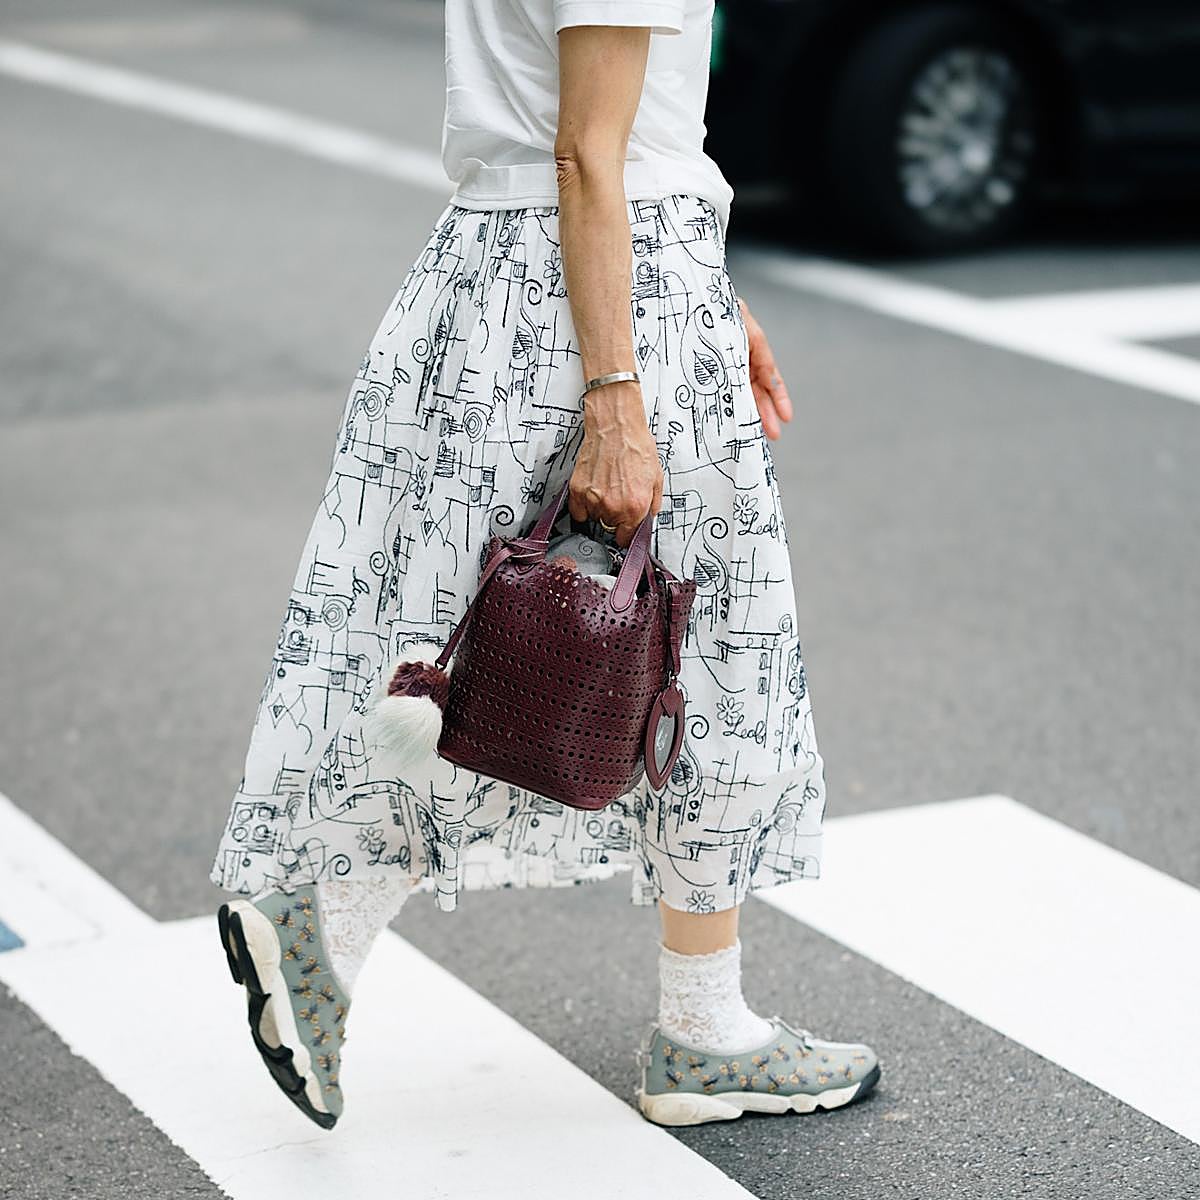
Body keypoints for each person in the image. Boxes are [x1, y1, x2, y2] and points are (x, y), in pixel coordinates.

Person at [211, 0, 880, 1130]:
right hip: (598, 305)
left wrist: (720, 296)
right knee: (693, 666)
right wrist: (622, 397)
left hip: (521, 277)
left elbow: (605, 134)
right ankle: (703, 1031)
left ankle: (332, 921)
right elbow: (586, 148)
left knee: (500, 652)